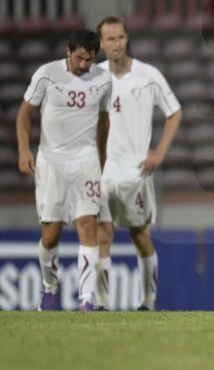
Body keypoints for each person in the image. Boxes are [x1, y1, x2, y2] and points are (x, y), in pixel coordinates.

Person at [16, 29, 112, 312]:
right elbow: (24, 114)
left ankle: (86, 300)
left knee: (87, 225)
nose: (84, 65)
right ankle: (49, 287)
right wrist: (24, 150)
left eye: (90, 60)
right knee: (51, 234)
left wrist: (101, 160)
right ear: (68, 51)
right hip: (51, 162)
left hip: (85, 161)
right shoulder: (47, 74)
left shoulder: (103, 80)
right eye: (80, 58)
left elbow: (103, 123)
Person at [94, 17, 183, 312]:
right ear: (102, 44)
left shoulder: (148, 75)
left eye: (120, 37)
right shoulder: (95, 76)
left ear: (127, 39)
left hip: (137, 172)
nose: (117, 43)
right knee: (102, 235)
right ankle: (102, 303)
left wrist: (159, 151)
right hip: (103, 173)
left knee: (140, 237)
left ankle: (148, 301)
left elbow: (175, 112)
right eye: (110, 39)